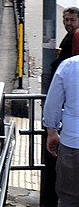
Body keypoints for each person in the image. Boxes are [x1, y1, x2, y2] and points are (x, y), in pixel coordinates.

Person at [43, 32, 79, 207]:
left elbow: (53, 104)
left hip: (73, 143)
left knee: (69, 198)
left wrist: (52, 131)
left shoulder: (68, 66)